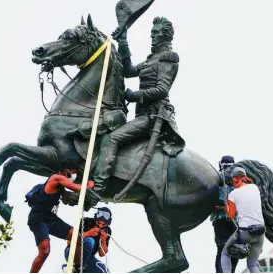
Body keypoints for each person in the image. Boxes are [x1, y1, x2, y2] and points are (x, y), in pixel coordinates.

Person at [87, 16, 186, 205]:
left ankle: (97, 190)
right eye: (152, 33)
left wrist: (134, 96)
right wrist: (123, 41)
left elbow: (162, 90)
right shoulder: (152, 59)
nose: (153, 36)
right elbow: (129, 71)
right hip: (142, 114)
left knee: (111, 138)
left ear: (166, 35)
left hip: (153, 116)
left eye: (157, 33)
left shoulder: (168, 58)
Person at [27, 169, 95, 273]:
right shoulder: (56, 178)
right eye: (70, 172)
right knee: (45, 251)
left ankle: (77, 269)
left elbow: (71, 197)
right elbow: (78, 188)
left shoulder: (61, 187)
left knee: (77, 237)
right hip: (38, 219)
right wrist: (89, 184)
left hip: (51, 219)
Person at [221, 167, 266, 273]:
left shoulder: (233, 194)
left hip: (245, 233)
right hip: (260, 232)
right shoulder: (255, 188)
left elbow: (231, 215)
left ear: (234, 178)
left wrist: (225, 206)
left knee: (225, 254)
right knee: (252, 264)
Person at [211, 155, 238, 273]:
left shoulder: (237, 180)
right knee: (223, 249)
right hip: (220, 218)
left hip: (234, 220)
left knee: (235, 250)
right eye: (225, 166)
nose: (227, 169)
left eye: (230, 166)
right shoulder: (214, 178)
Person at [64, 207, 113, 273]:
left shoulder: (108, 230)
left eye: (104, 224)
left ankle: (81, 268)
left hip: (89, 258)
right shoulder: (85, 221)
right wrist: (88, 233)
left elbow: (102, 254)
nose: (100, 226)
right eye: (98, 223)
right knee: (90, 241)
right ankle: (76, 267)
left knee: (104, 270)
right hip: (72, 252)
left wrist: (103, 241)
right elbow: (69, 240)